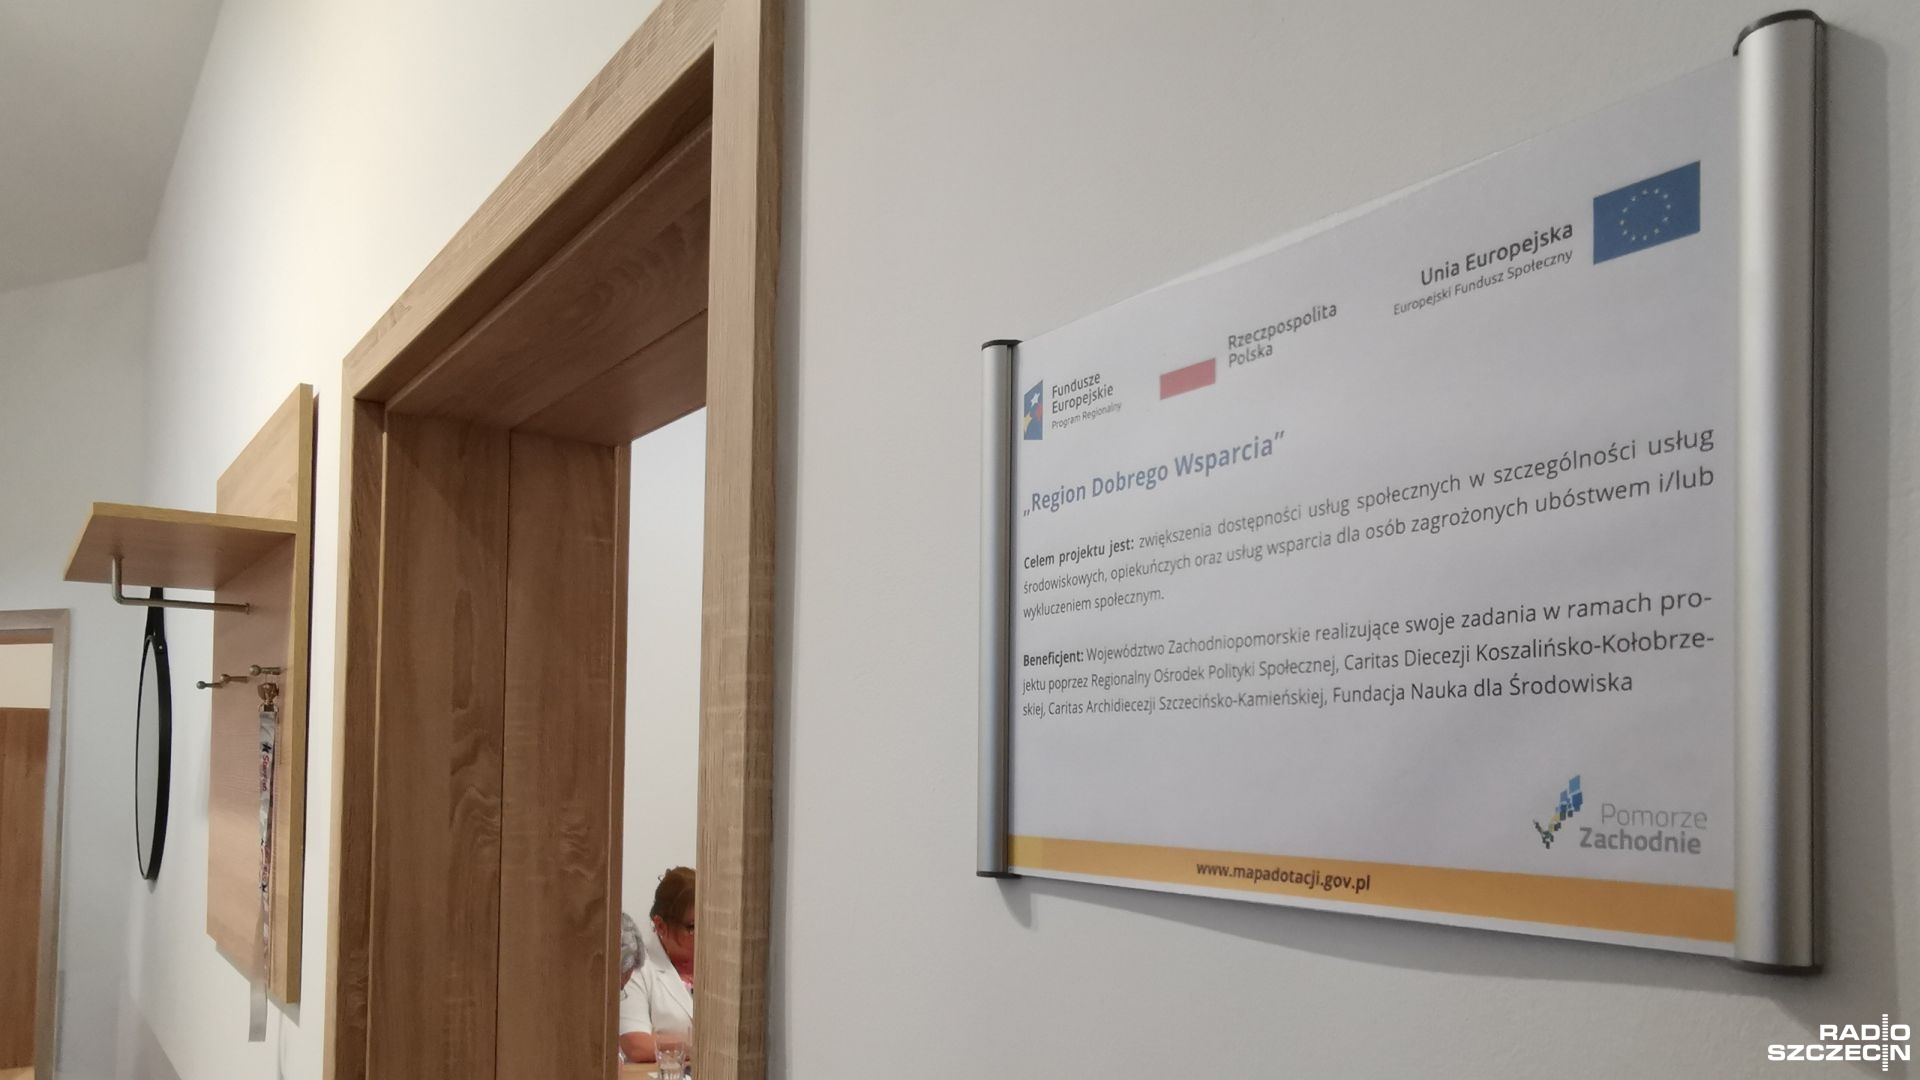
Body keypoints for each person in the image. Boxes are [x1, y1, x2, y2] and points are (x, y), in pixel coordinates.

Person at [619, 867, 696, 1064]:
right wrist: (700, 1046)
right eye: (693, 927)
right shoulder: (637, 966)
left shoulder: (721, 965)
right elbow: (637, 1045)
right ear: (660, 925)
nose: (704, 935)